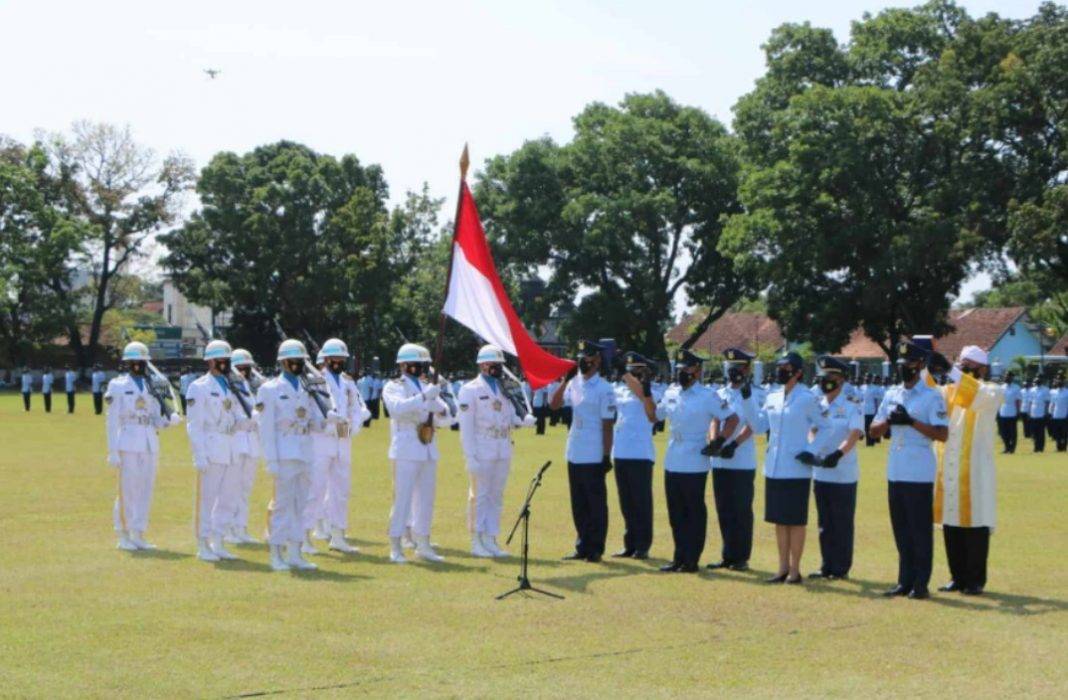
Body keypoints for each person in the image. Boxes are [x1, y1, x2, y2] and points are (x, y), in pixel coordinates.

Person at [868, 339, 949, 600]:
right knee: (901, 528)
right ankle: (904, 580)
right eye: (902, 363)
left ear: (921, 365)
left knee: (919, 530)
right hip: (896, 469)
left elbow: (942, 434)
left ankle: (921, 583)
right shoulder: (893, 393)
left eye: (910, 363)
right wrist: (890, 421)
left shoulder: (931, 396)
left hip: (919, 470)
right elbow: (873, 429)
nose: (905, 368)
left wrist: (912, 421)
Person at [741, 352, 829, 584]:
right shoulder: (773, 396)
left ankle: (795, 569)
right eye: (779, 366)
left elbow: (825, 426)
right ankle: (781, 567)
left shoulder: (807, 397)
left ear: (798, 372)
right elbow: (759, 426)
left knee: (796, 520)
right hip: (774, 466)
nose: (781, 370)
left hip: (797, 467)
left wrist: (812, 450)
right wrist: (747, 398)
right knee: (780, 520)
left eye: (786, 367)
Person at [926, 345, 1004, 596]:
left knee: (975, 527)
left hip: (974, 473)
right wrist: (926, 365)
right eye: (961, 363)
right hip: (948, 468)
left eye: (969, 364)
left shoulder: (992, 391)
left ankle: (975, 580)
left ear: (982, 368)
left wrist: (951, 371)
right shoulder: (947, 391)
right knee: (951, 525)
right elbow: (927, 391)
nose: (964, 368)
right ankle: (956, 576)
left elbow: (977, 396)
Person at [656, 350, 739, 573]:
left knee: (693, 511)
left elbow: (732, 418)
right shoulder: (672, 392)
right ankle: (678, 556)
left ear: (698, 371)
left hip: (695, 457)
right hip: (673, 455)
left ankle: (691, 558)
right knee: (675, 511)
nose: (683, 372)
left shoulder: (707, 396)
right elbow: (655, 415)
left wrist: (719, 440)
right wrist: (644, 392)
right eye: (680, 368)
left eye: (687, 368)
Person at [457, 344, 536, 557]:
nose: (498, 368)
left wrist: (523, 420)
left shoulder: (504, 387)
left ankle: (491, 538)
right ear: (482, 365)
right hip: (481, 448)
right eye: (494, 364)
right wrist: (469, 455)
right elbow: (466, 427)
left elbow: (509, 417)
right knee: (479, 496)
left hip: (502, 447)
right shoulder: (470, 390)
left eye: (500, 364)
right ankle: (476, 539)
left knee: (496, 495)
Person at [381, 343, 456, 563]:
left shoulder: (427, 385)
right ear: (403, 365)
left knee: (426, 499)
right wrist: (423, 398)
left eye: (422, 364)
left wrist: (441, 409)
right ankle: (396, 545)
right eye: (416, 364)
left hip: (428, 447)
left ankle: (423, 543)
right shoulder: (394, 386)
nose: (420, 368)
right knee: (402, 498)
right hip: (406, 447)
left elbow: (449, 418)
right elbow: (395, 409)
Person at [105, 342, 182, 550]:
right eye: (134, 361)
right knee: (127, 490)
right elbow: (112, 421)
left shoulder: (152, 385)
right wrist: (112, 451)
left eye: (141, 361)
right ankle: (123, 534)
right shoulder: (118, 385)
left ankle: (138, 533)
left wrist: (169, 420)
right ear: (128, 363)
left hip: (149, 442)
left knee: (145, 489)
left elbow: (156, 418)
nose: (138, 365)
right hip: (128, 441)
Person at [257, 339, 324, 571]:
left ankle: (296, 552)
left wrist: (330, 421)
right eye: (294, 361)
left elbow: (315, 421)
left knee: (301, 504)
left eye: (301, 361)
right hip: (284, 453)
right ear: (283, 362)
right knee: (282, 505)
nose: (298, 364)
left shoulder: (309, 387)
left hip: (306, 451)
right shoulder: (270, 389)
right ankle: (276, 553)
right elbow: (265, 429)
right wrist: (271, 460)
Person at [550, 340, 616, 563]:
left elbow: (608, 425)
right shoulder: (574, 383)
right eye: (581, 356)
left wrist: (607, 455)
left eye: (587, 357)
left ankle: (596, 547)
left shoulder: (604, 388)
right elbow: (554, 405)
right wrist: (565, 381)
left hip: (594, 451)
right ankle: (582, 545)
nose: (583, 361)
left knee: (595, 502)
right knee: (578, 502)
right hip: (575, 449)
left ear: (597, 360)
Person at [185, 340, 246, 562]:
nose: (224, 364)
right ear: (210, 361)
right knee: (207, 499)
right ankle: (203, 543)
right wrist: (198, 454)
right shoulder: (199, 387)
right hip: (211, 446)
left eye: (227, 360)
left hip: (231, 446)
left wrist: (249, 422)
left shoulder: (232, 384)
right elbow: (194, 424)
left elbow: (237, 414)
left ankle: (219, 541)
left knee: (228, 498)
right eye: (221, 360)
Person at [309, 338, 370, 554]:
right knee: (315, 488)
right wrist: (326, 423)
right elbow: (309, 412)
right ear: (326, 359)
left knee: (341, 490)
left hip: (343, 439)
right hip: (322, 439)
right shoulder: (314, 380)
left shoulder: (347, 381)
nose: (339, 362)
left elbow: (355, 406)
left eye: (342, 359)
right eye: (335, 358)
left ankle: (337, 535)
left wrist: (354, 426)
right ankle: (306, 535)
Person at [808, 356, 864, 580]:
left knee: (841, 522)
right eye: (823, 377)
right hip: (820, 470)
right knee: (824, 522)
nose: (825, 382)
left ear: (841, 379)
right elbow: (811, 428)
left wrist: (838, 453)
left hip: (842, 472)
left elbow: (854, 434)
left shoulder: (852, 403)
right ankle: (826, 565)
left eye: (830, 377)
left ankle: (840, 568)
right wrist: (813, 447)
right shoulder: (818, 403)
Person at [707, 348, 758, 572]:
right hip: (720, 459)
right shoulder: (720, 392)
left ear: (746, 368)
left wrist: (735, 444)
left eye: (736, 367)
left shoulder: (755, 392)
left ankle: (741, 557)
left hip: (742, 459)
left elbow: (752, 424)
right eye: (729, 367)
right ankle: (727, 554)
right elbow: (714, 419)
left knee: (741, 509)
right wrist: (715, 442)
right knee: (723, 508)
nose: (732, 371)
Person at [610, 352, 658, 560]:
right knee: (626, 502)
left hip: (640, 453)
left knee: (641, 502)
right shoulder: (621, 390)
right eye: (628, 369)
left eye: (634, 370)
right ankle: (629, 544)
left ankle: (642, 545)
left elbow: (649, 408)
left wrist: (627, 377)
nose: (630, 373)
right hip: (620, 451)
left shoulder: (650, 390)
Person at [228, 348, 262, 544]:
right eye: (240, 368)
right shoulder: (229, 388)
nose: (244, 372)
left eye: (247, 368)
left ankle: (241, 527)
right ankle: (229, 528)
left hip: (252, 442)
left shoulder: (253, 388)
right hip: (237, 440)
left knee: (245, 488)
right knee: (232, 487)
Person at [997, 372, 1021, 454]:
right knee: (1004, 432)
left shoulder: (1016, 387)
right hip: (1003, 411)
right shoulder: (1001, 387)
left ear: (1012, 378)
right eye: (1005, 376)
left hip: (1012, 411)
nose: (1006, 378)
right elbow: (999, 400)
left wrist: (1018, 412)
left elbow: (1018, 400)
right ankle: (1006, 447)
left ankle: (1012, 448)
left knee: (1012, 432)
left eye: (1008, 377)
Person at [1029, 378, 1050, 453]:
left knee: (1041, 432)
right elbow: (1030, 402)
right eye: (1035, 382)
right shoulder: (1032, 390)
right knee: (1034, 432)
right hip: (1034, 412)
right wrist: (1029, 412)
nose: (1036, 383)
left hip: (1041, 412)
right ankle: (1035, 447)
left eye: (1037, 381)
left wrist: (1046, 412)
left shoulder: (1045, 389)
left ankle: (1041, 447)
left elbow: (1047, 402)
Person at [1050, 375, 1067, 452]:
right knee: (1057, 433)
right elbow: (1052, 403)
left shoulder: (1067, 392)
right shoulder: (1053, 392)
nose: (1059, 382)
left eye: (1061, 380)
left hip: (1064, 415)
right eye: (1058, 380)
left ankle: (1064, 447)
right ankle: (1058, 447)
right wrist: (1050, 412)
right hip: (1056, 415)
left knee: (1064, 433)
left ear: (1063, 382)